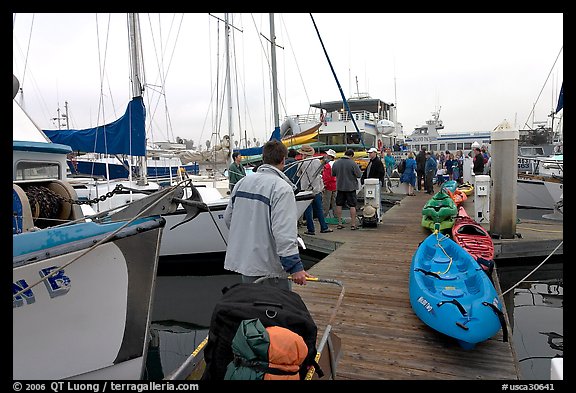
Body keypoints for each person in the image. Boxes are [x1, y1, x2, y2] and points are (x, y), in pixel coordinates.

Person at [223, 140, 313, 290]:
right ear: (283, 159)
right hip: (270, 266)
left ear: (263, 158)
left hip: (247, 262)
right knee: (278, 308)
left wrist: (249, 240)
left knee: (253, 305)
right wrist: (295, 267)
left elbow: (228, 219)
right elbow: (284, 231)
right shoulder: (281, 188)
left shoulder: (242, 183)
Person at [297, 144, 333, 235]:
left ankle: (311, 229)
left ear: (303, 153)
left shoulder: (302, 162)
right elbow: (320, 172)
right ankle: (324, 227)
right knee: (319, 209)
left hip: (306, 189)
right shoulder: (317, 161)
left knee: (308, 210)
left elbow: (298, 174)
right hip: (316, 188)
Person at [331, 148, 363, 230]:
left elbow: (333, 174)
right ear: (352, 155)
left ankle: (339, 223)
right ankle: (353, 224)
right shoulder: (353, 163)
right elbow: (359, 175)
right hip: (351, 187)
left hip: (340, 187)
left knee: (339, 204)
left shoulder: (336, 163)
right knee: (352, 205)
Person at [321, 149, 337, 218]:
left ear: (330, 156)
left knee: (326, 202)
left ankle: (324, 216)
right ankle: (336, 216)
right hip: (335, 185)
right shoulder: (336, 163)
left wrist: (324, 185)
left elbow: (326, 177)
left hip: (328, 186)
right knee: (335, 202)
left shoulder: (327, 165)